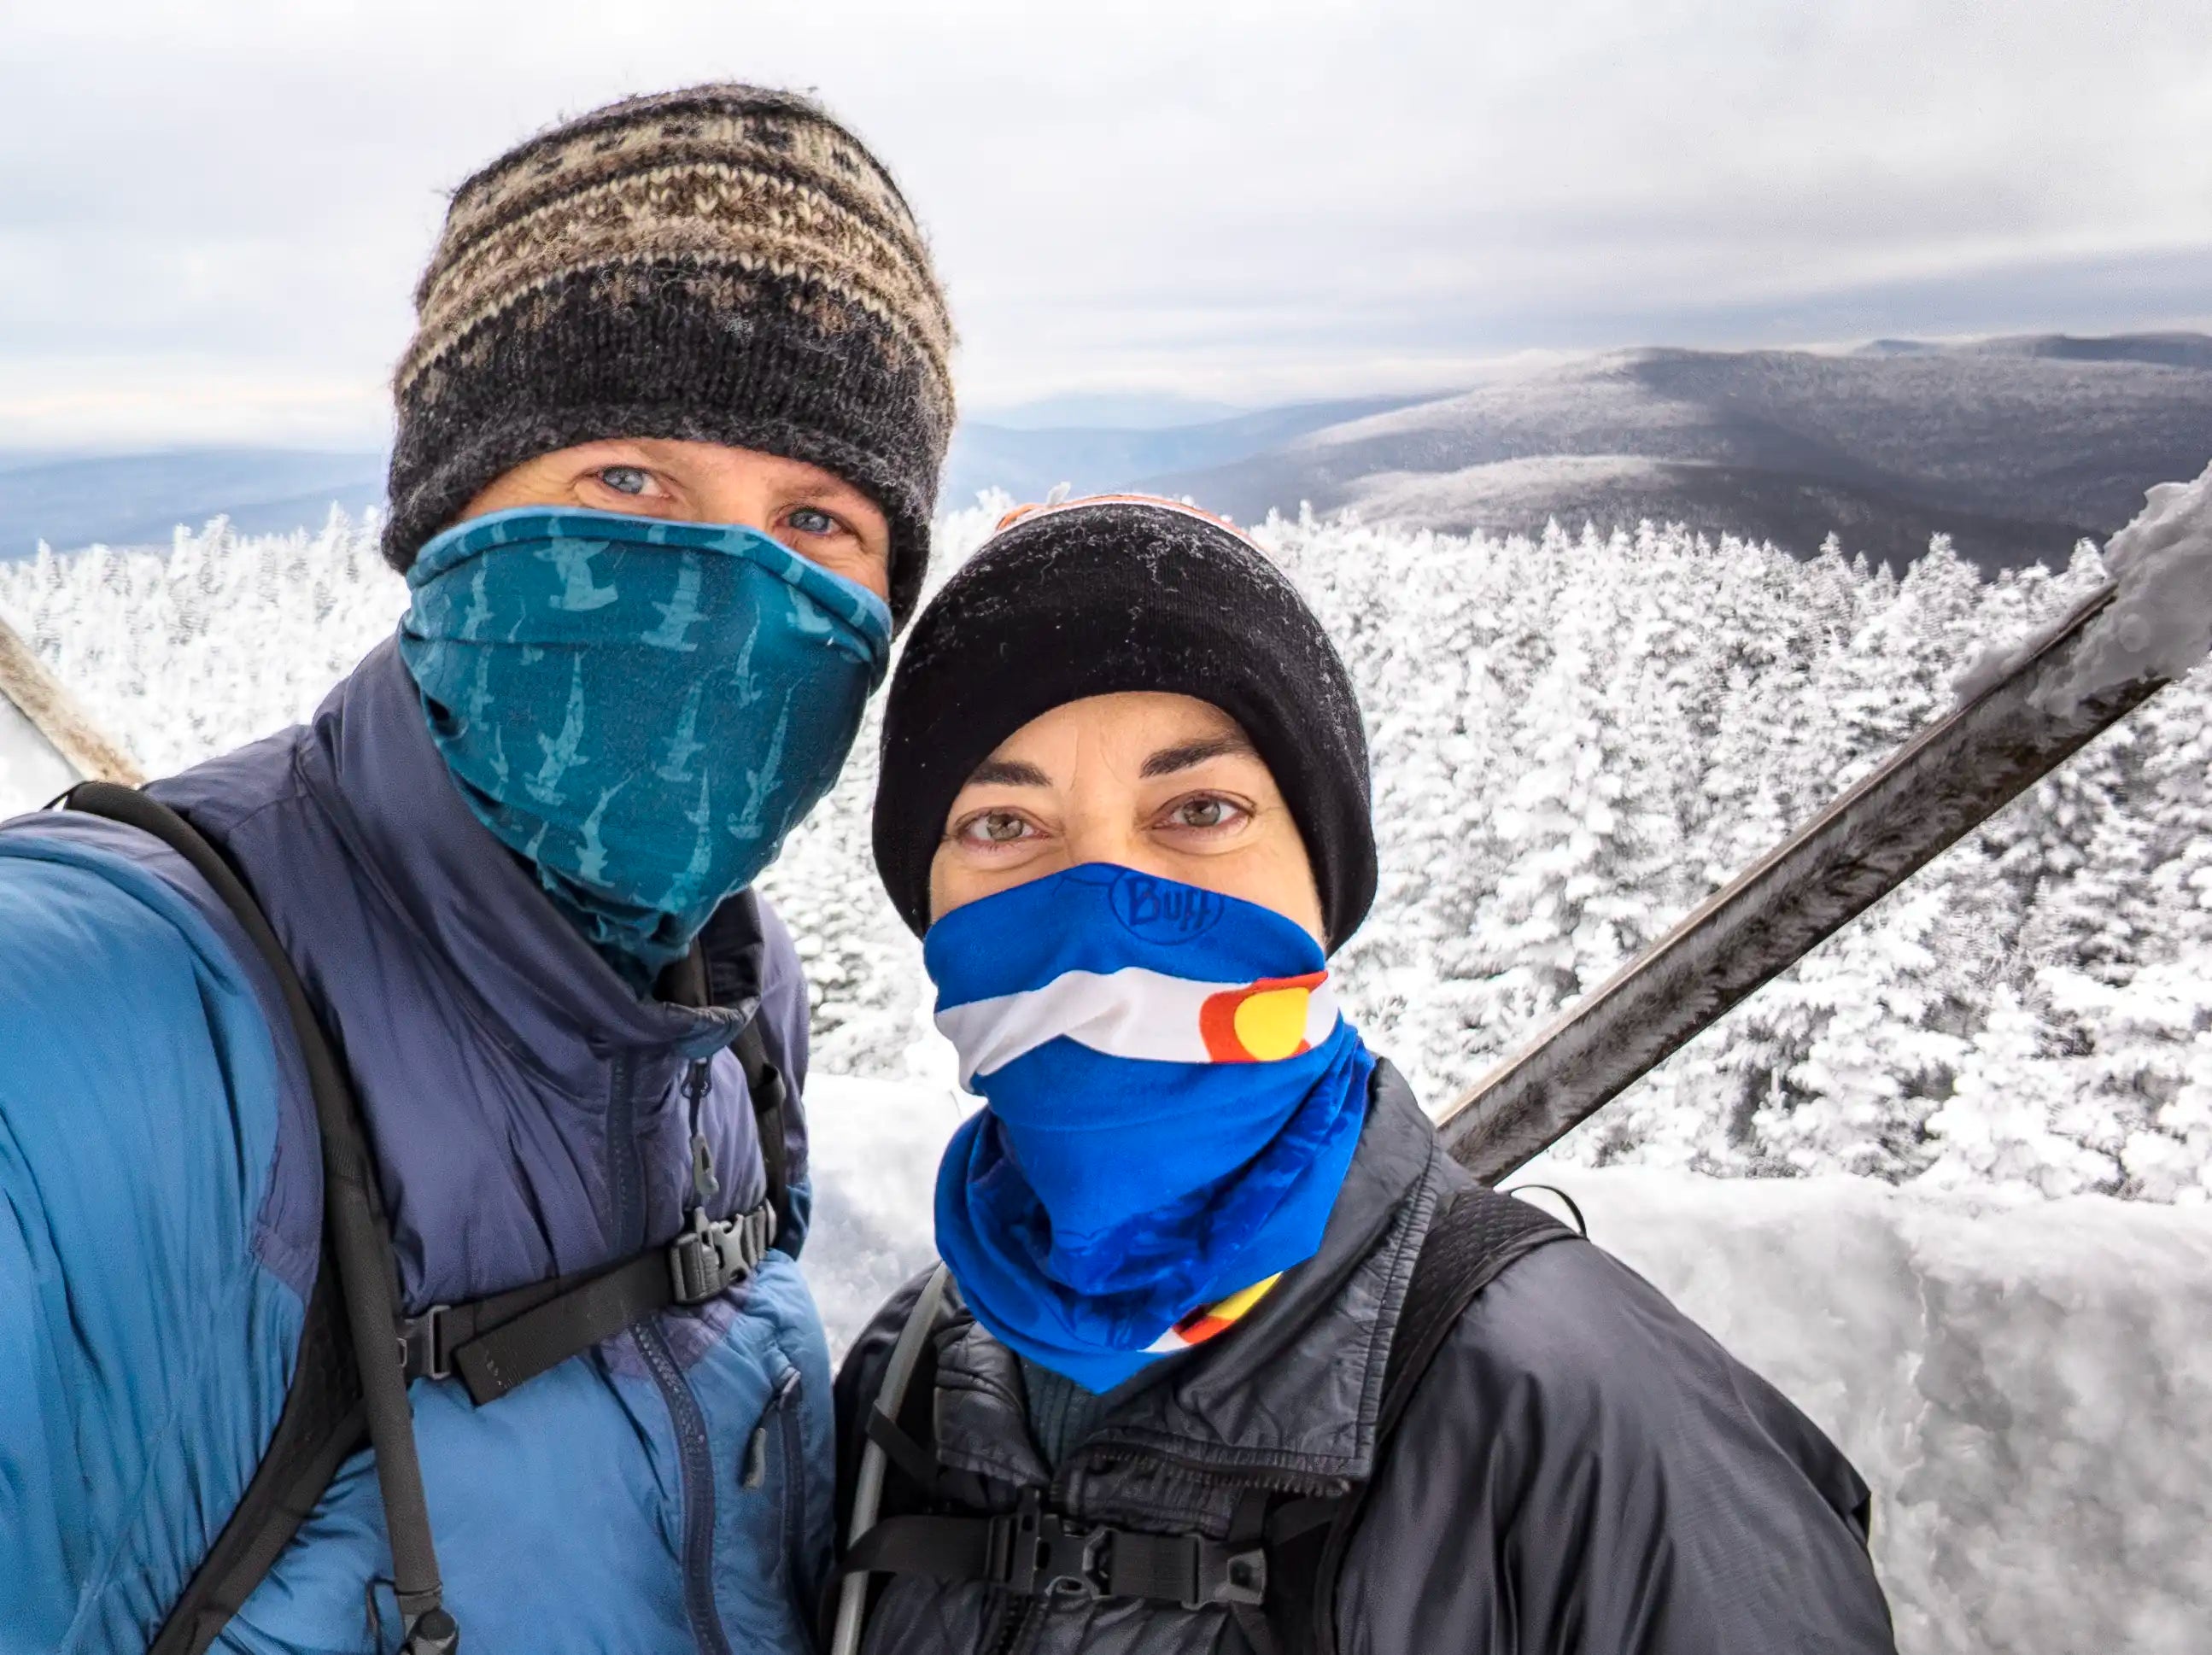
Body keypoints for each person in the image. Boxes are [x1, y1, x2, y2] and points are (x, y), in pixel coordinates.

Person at [0, 85, 953, 1653]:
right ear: (447, 516)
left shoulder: (729, 991)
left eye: (816, 519)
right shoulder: (108, 1014)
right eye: (628, 485)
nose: (723, 596)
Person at [833, 495, 1898, 1654]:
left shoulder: (1576, 1409)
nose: (1103, 904)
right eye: (1002, 823)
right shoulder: (914, 1370)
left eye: (1199, 809)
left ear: (1319, 880)